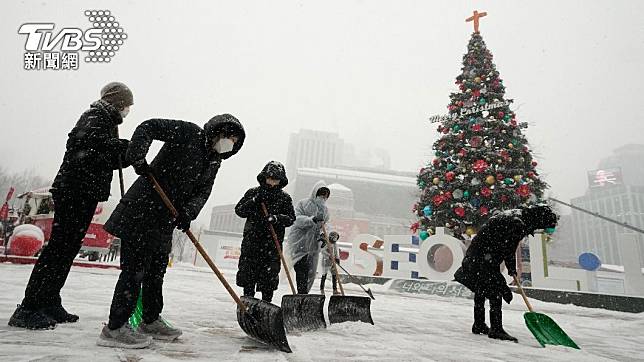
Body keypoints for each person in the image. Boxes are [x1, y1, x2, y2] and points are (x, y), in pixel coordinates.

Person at [97, 114, 245, 349]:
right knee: (134, 271)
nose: (230, 143)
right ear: (217, 131)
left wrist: (188, 213)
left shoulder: (214, 161)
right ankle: (115, 327)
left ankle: (151, 320)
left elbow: (203, 192)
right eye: (228, 136)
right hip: (143, 210)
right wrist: (136, 156)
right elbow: (149, 126)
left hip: (164, 220)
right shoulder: (189, 134)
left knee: (156, 273)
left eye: (235, 141)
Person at [9, 82, 133, 330]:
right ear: (116, 102)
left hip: (84, 191)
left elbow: (100, 157)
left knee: (67, 249)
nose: (127, 110)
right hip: (74, 190)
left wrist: (123, 155)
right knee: (58, 249)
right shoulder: (95, 116)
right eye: (126, 105)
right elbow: (81, 144)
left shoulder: (106, 122)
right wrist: (117, 147)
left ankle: (50, 300)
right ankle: (28, 307)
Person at [454, 205, 558, 342]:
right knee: (495, 292)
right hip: (484, 259)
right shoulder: (517, 223)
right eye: (543, 226)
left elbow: (506, 246)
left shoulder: (515, 216)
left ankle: (478, 324)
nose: (540, 229)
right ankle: (496, 329)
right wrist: (506, 282)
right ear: (539, 220)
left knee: (481, 289)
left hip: (478, 257)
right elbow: (508, 248)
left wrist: (511, 269)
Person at [235, 161, 295, 303]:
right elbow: (239, 210)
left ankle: (266, 305)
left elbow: (291, 218)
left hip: (272, 246)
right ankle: (248, 304)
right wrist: (254, 201)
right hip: (252, 243)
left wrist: (276, 218)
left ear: (281, 181)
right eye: (270, 178)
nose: (272, 182)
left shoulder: (284, 198)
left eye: (276, 179)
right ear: (264, 177)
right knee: (248, 277)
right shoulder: (253, 193)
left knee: (268, 280)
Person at [285, 182, 330, 294]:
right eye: (321, 195)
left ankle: (304, 295)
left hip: (313, 248)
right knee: (302, 270)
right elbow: (296, 219)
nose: (323, 198)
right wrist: (311, 219)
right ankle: (302, 294)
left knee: (311, 274)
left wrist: (325, 236)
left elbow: (326, 226)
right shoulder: (303, 204)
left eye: (325, 196)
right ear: (315, 193)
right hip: (299, 244)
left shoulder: (325, 210)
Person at [319, 230, 340, 295]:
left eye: (336, 237)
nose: (335, 239)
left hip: (333, 262)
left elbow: (336, 252)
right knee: (324, 275)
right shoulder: (327, 243)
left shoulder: (335, 244)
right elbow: (323, 251)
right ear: (331, 237)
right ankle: (322, 288)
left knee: (334, 275)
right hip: (326, 262)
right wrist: (329, 256)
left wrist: (337, 259)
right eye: (334, 237)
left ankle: (335, 289)